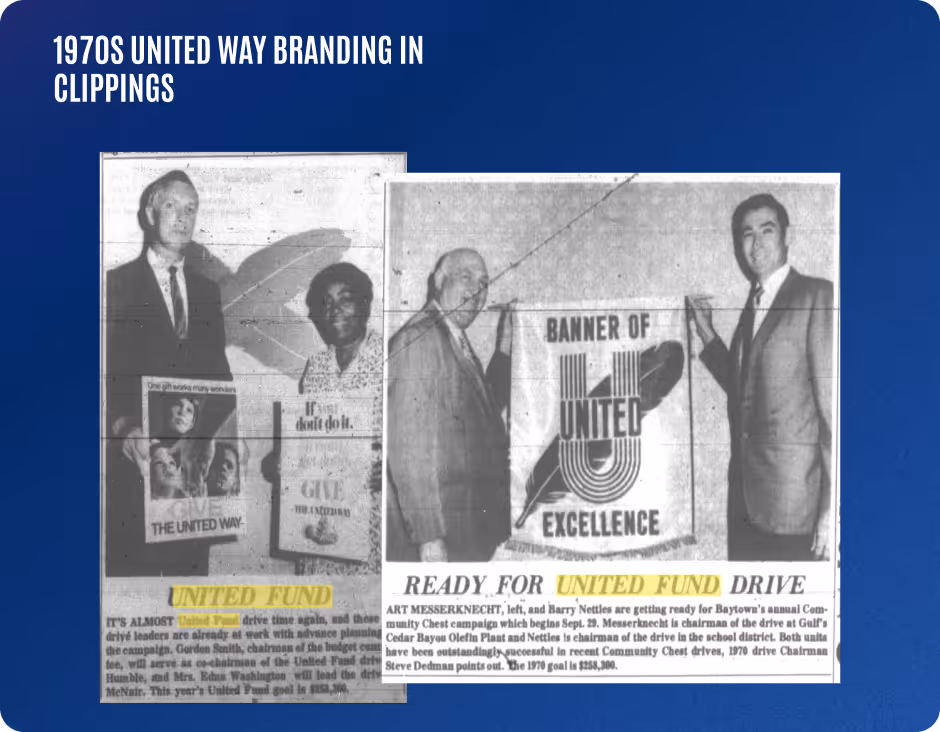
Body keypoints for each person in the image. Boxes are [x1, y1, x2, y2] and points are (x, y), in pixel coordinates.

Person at [688, 193, 833, 561]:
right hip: (745, 506)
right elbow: (746, 390)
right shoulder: (752, 304)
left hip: (795, 511)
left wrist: (832, 511)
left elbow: (834, 417)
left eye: (767, 231)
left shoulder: (817, 296)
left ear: (788, 235)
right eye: (747, 234)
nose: (756, 243)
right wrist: (707, 334)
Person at [104, 170, 232, 576]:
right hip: (137, 468)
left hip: (192, 483)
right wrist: (123, 428)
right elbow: (103, 378)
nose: (182, 217)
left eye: (190, 209)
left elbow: (221, 381)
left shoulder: (209, 293)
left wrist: (213, 436)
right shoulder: (114, 286)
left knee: (190, 599)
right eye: (172, 206)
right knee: (138, 598)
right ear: (149, 212)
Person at [386, 248, 514, 562]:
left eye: (484, 283)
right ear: (439, 281)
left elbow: (484, 411)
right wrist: (429, 537)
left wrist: (505, 345)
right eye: (466, 277)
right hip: (445, 535)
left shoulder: (451, 337)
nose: (476, 291)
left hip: (471, 528)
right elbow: (409, 450)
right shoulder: (420, 339)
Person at [296, 262, 383, 575]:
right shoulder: (316, 366)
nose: (334, 310)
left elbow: (420, 441)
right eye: (326, 303)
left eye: (344, 299)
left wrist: (389, 465)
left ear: (365, 304)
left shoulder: (392, 359)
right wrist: (282, 461)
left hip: (371, 512)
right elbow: (304, 438)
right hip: (319, 511)